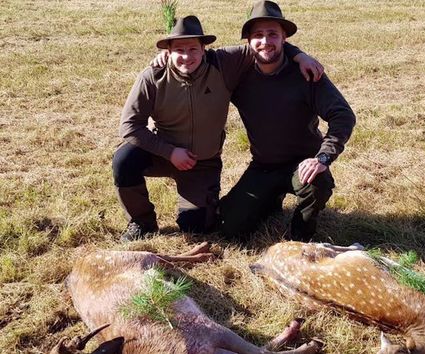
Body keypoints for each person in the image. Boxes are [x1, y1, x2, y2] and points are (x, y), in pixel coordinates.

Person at [113, 15, 322, 241]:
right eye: (179, 50)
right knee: (124, 160)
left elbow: (265, 45)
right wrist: (170, 152)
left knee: (196, 228)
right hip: (161, 152)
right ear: (168, 51)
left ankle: (258, 202)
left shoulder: (223, 64)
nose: (186, 56)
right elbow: (129, 126)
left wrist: (300, 55)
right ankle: (142, 223)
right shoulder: (152, 77)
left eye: (193, 49)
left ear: (204, 49)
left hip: (201, 163)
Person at [218, 0, 356, 241]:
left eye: (273, 34)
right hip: (263, 165)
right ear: (248, 41)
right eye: (258, 35)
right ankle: (270, 200)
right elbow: (196, 57)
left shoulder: (307, 73)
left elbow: (343, 115)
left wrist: (322, 158)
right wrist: (162, 60)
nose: (265, 41)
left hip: (303, 163)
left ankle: (301, 235)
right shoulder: (238, 73)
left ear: (284, 38)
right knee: (229, 226)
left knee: (316, 183)